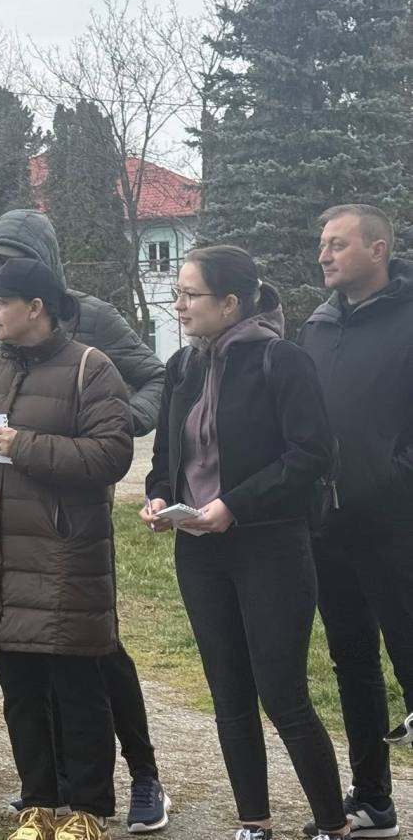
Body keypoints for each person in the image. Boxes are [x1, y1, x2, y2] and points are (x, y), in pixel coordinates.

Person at [0, 209, 171, 833]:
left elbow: (151, 382)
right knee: (25, 675)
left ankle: (136, 779)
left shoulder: (93, 330)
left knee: (96, 660)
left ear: (42, 283)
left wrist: (108, 418)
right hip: (3, 538)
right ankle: (43, 794)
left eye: (9, 271)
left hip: (63, 531)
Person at [142, 245, 348, 840]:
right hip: (199, 551)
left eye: (189, 295)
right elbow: (165, 458)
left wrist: (232, 506)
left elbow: (310, 455)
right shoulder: (182, 366)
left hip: (270, 547)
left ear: (230, 303)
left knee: (282, 694)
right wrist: (160, 498)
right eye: (177, 294)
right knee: (229, 693)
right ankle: (253, 823)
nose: (178, 305)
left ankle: (331, 824)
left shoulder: (281, 360)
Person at [297, 204, 413, 839]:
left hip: (397, 525)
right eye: (322, 245)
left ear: (378, 250)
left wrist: (391, 478)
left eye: (337, 244)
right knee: (352, 663)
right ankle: (373, 800)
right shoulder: (316, 327)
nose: (324, 255)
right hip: (327, 526)